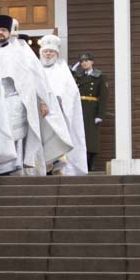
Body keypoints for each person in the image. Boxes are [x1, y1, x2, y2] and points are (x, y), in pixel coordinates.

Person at [0, 16, 71, 176]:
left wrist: (43, 101)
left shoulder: (21, 51)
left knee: (17, 134)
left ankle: (17, 167)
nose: (0, 33)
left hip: (15, 100)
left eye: (3, 30)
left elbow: (38, 77)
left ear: (8, 32)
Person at [38, 35, 87, 176]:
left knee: (58, 139)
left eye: (51, 51)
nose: (48, 54)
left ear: (57, 54)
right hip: (39, 113)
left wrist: (58, 101)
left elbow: (70, 91)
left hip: (58, 112)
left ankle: (58, 166)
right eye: (45, 51)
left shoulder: (62, 70)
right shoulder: (35, 68)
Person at [73, 51, 108, 172]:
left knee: (91, 138)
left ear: (92, 62)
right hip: (79, 109)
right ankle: (80, 163)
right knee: (79, 136)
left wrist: (100, 115)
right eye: (82, 61)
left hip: (91, 110)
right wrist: (72, 72)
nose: (84, 63)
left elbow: (103, 97)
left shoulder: (99, 76)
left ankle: (91, 163)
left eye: (86, 61)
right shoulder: (78, 76)